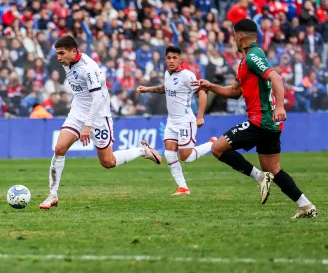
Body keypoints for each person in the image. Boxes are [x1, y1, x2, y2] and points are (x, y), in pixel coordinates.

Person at [194, 18, 317, 219]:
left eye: (234, 36)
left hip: (260, 120)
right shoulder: (247, 60)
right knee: (273, 168)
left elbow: (276, 77)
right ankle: (306, 205)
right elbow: (235, 91)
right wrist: (211, 86)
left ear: (239, 36)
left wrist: (279, 106)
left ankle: (259, 177)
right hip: (268, 122)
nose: (233, 39)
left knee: (217, 148)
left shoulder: (252, 57)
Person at [39, 35, 161, 210]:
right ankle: (53, 195)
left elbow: (97, 98)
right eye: (57, 53)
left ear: (73, 51)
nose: (58, 57)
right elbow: (81, 89)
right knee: (59, 148)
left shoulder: (87, 68)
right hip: (78, 113)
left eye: (61, 53)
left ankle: (143, 150)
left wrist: (88, 125)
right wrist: (76, 102)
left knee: (108, 162)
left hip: (98, 116)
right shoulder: (67, 62)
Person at [137, 45, 216, 195]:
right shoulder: (167, 74)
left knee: (186, 157)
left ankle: (212, 144)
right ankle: (183, 187)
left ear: (180, 59)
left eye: (174, 58)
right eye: (169, 58)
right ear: (165, 60)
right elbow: (164, 88)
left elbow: (202, 93)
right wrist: (147, 89)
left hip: (185, 121)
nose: (171, 61)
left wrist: (200, 116)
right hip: (171, 121)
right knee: (169, 154)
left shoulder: (187, 76)